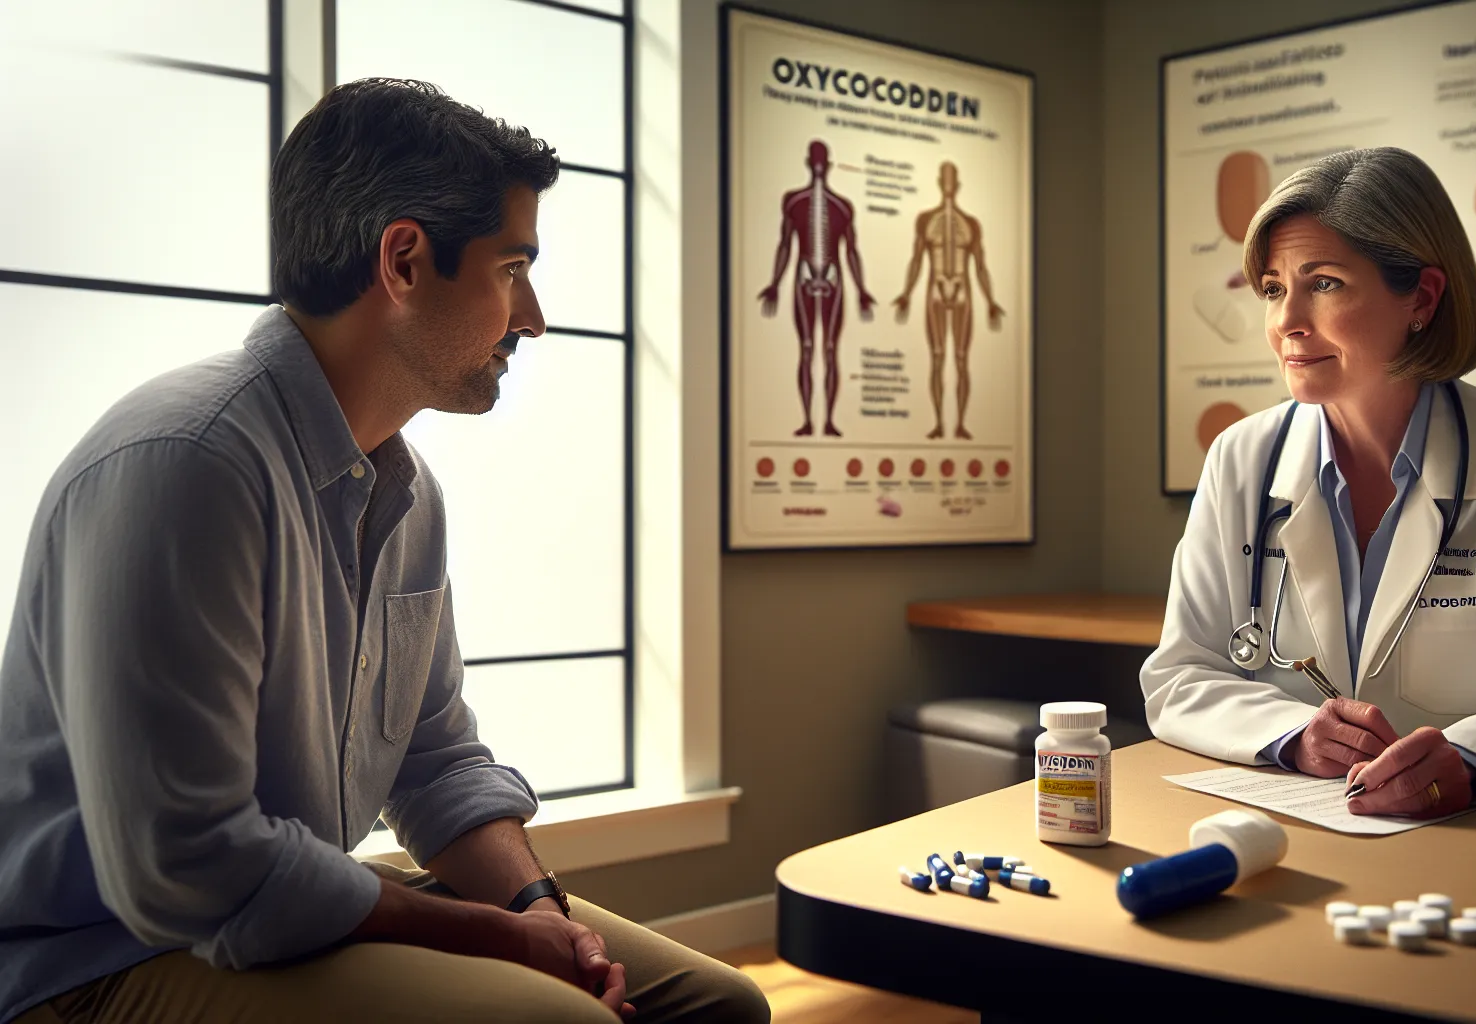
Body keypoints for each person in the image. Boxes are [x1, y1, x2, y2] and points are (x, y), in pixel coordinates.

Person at [0, 79, 768, 1024]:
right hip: (100, 959)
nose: (532, 317)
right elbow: (187, 872)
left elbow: (436, 764)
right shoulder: (185, 467)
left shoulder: (408, 498)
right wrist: (497, 940)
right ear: (403, 259)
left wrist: (540, 914)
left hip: (277, 912)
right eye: (511, 268)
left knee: (717, 1004)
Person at [1141, 147, 1476, 817]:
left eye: (1325, 283)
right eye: (1275, 288)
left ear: (1420, 299)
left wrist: (1473, 761)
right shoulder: (1240, 459)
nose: (1285, 322)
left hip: (1474, 839)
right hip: (1289, 826)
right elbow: (1180, 676)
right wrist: (1292, 735)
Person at [756, 139, 875, 438]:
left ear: (828, 164)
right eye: (816, 159)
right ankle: (808, 420)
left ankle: (830, 421)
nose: (819, 165)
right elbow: (785, 244)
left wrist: (862, 289)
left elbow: (851, 251)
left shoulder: (842, 207)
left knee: (831, 350)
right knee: (807, 349)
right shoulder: (794, 202)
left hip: (833, 279)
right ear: (809, 163)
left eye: (823, 159)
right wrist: (775, 283)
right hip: (804, 278)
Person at [892, 161, 1004, 441]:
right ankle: (939, 422)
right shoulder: (925, 220)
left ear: (958, 183)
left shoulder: (972, 224)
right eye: (945, 177)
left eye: (952, 177)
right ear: (938, 181)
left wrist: (991, 299)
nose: (949, 182)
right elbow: (917, 260)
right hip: (936, 290)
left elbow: (980, 266)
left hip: (963, 291)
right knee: (938, 358)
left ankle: (961, 424)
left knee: (962, 359)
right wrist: (906, 292)